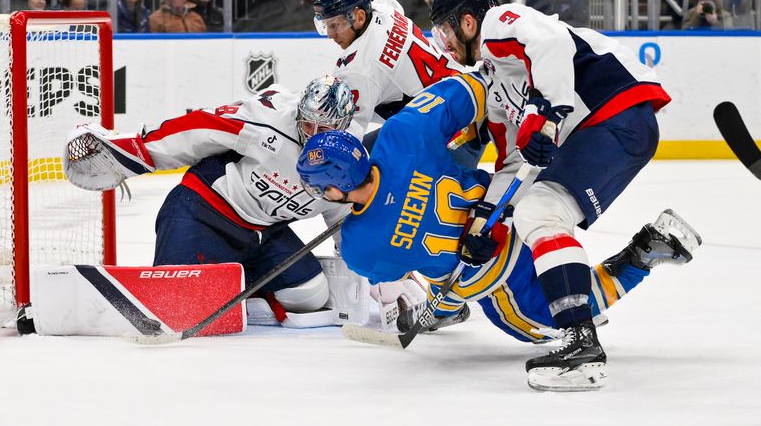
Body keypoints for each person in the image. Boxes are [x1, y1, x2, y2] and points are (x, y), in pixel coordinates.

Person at [296, 76, 700, 391]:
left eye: (321, 187)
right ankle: (451, 305)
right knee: (443, 274)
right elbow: (472, 87)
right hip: (508, 205)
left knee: (541, 323)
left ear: (336, 185)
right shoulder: (402, 132)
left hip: (493, 273)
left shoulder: (358, 246)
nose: (320, 194)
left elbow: (394, 274)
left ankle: (642, 254)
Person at [428, 0, 672, 389]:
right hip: (610, 128)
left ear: (468, 21)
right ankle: (580, 336)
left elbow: (553, 42)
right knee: (535, 212)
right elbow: (512, 164)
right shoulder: (495, 81)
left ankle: (581, 347)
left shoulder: (499, 23)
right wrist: (488, 223)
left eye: (445, 30)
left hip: (614, 111)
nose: (445, 42)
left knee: (540, 212)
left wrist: (548, 114)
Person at [64, 76, 358, 320]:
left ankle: (239, 292)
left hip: (263, 234)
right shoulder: (269, 122)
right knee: (174, 305)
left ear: (343, 126)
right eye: (308, 125)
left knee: (309, 295)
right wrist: (137, 151)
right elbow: (200, 129)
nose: (314, 135)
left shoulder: (346, 158)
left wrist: (381, 272)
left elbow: (344, 218)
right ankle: (221, 290)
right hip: (202, 212)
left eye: (326, 129)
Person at [312, 0, 482, 170]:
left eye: (335, 25)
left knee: (373, 177)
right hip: (464, 101)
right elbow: (391, 7)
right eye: (325, 25)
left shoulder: (358, 70)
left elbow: (349, 136)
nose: (330, 33)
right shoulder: (385, 9)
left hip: (450, 135)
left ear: (359, 17)